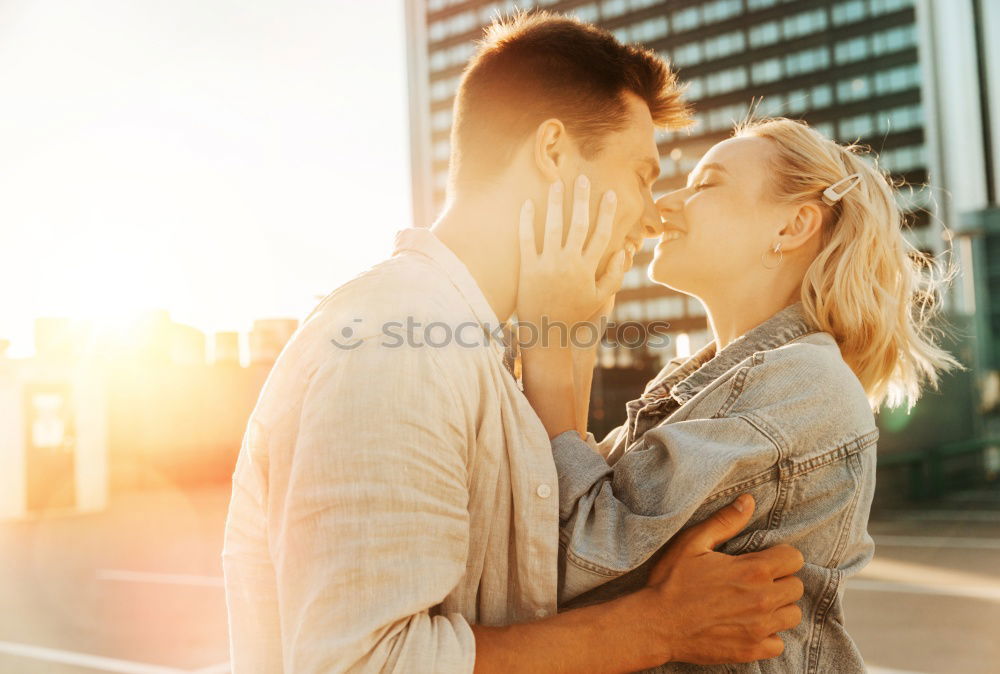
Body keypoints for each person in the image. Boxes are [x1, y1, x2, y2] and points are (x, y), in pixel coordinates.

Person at [222, 11, 806, 674]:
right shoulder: (395, 342)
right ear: (553, 153)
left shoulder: (476, 350)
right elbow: (365, 664)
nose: (650, 218)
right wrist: (659, 626)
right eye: (641, 176)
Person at [515, 117, 962, 672]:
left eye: (705, 185)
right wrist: (574, 330)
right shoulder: (701, 382)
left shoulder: (799, 385)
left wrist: (548, 331)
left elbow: (568, 561)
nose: (663, 207)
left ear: (794, 225)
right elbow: (573, 495)